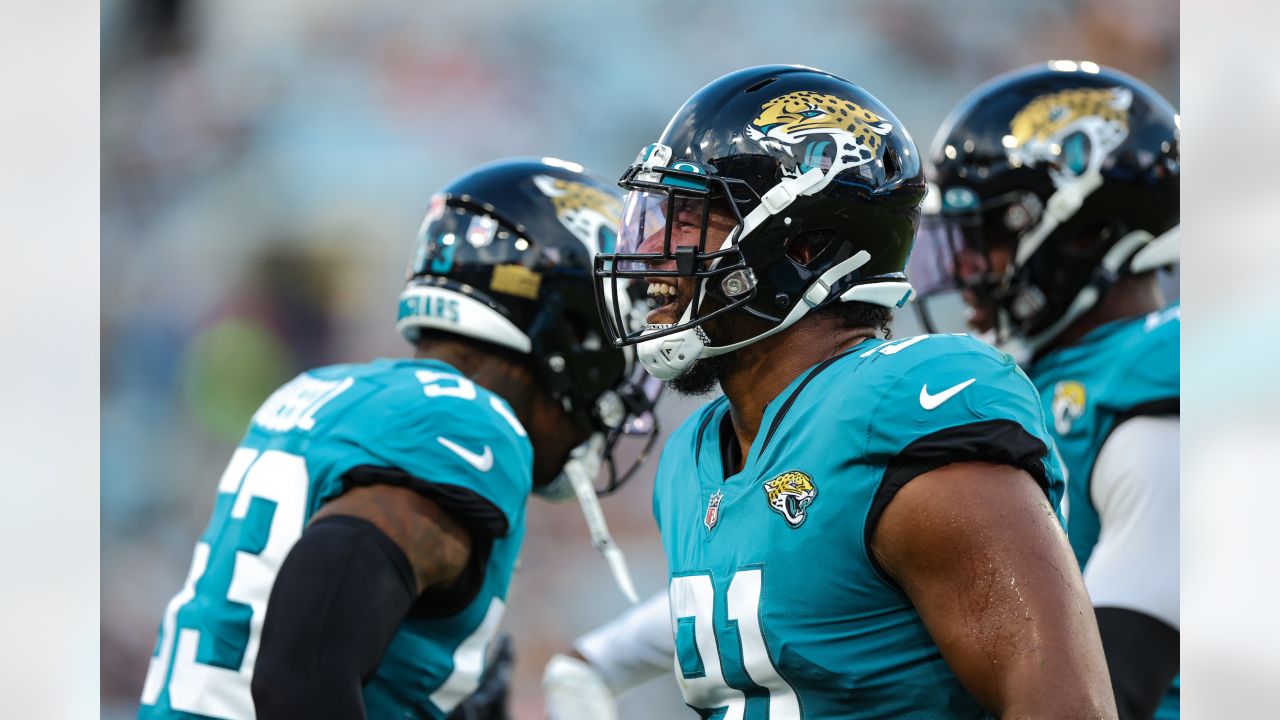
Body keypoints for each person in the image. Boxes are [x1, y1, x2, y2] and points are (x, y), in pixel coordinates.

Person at [569, 64, 1115, 719]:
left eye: (690, 219)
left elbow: (1062, 707)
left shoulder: (903, 410)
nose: (654, 248)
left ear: (803, 244)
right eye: (658, 216)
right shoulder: (693, 461)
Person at [137, 157, 657, 720]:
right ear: (571, 329)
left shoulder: (327, 390)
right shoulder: (464, 426)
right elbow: (303, 673)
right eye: (612, 328)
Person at [912, 61, 1180, 720]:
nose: (962, 269)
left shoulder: (1155, 392)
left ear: (1085, 230)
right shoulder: (1035, 381)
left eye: (989, 237)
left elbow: (1111, 687)